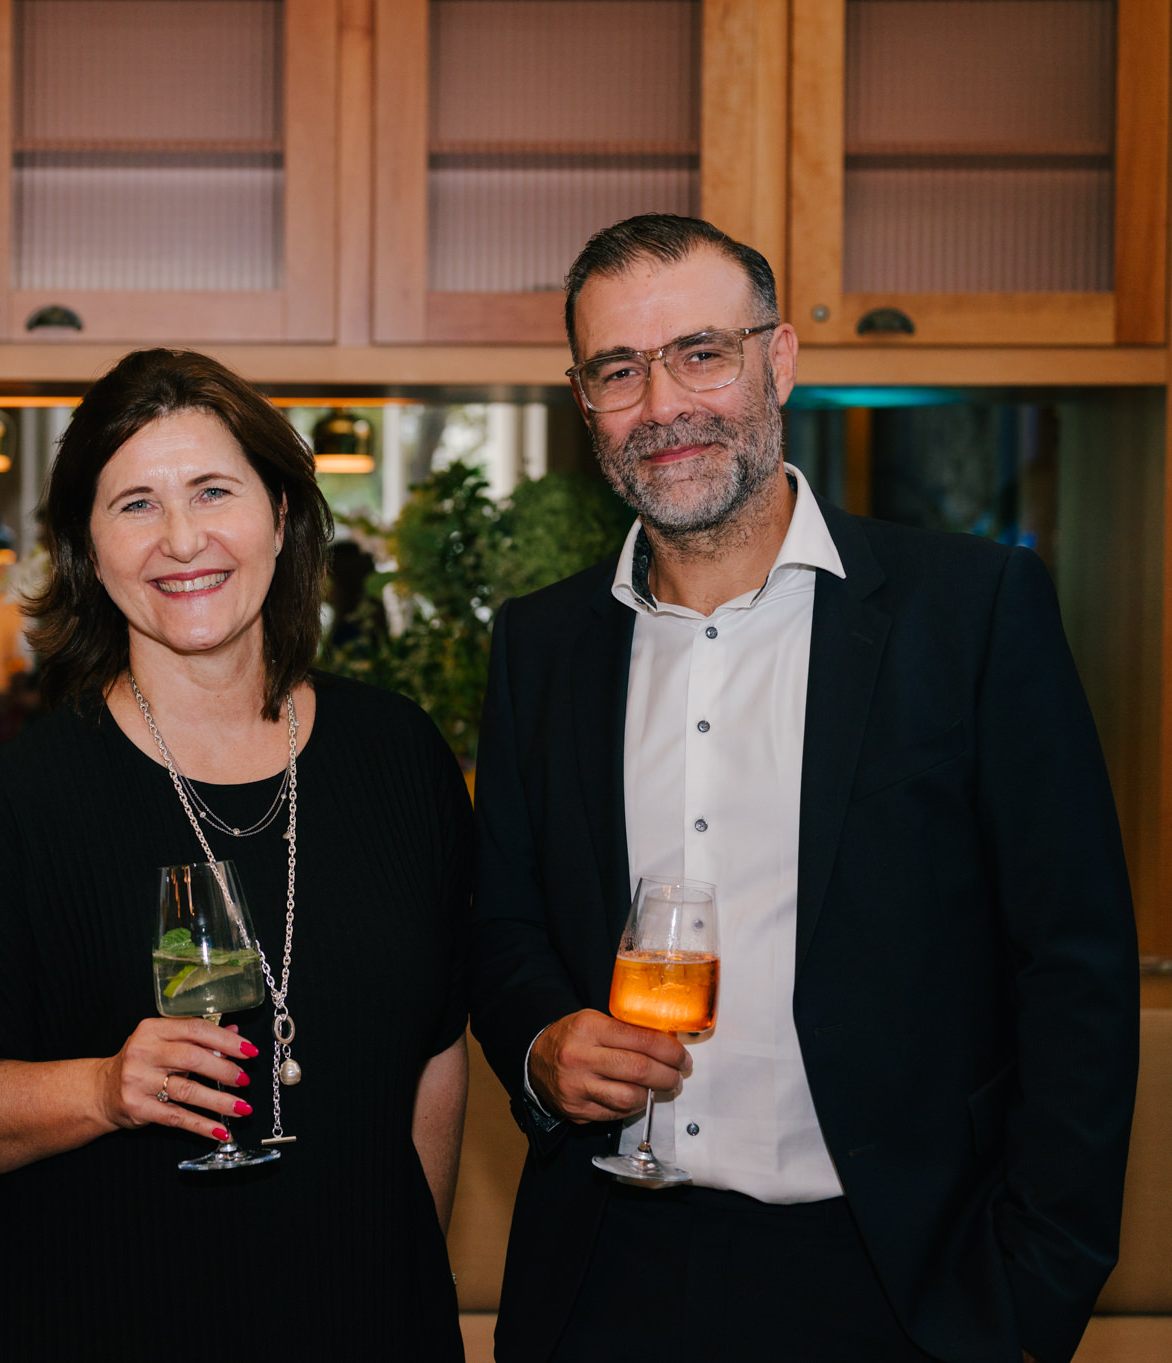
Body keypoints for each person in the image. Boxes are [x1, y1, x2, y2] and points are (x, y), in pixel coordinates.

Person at [470, 215, 1138, 1363]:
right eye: (616, 371)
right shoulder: (538, 645)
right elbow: (502, 923)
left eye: (699, 353)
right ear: (581, 401)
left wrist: (1035, 1294)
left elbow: (1072, 964)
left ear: (776, 359)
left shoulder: (971, 612)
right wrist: (540, 1043)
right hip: (602, 1275)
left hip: (896, 1281)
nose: (661, 405)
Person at [0, 349, 472, 1361]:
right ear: (88, 549)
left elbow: (436, 1054)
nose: (181, 539)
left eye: (213, 491)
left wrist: (405, 1278)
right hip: (86, 1321)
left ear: (281, 513)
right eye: (135, 504)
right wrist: (101, 1089)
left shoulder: (399, 756)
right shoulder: (18, 800)